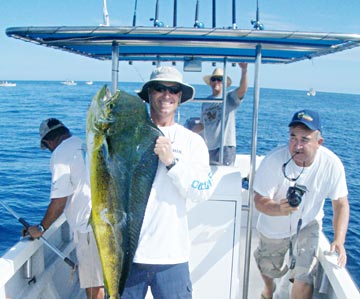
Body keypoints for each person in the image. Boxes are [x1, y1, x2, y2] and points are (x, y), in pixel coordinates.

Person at [121, 66, 213, 299]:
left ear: (180, 97)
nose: (166, 95)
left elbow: (202, 191)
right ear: (149, 93)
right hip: (127, 254)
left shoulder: (192, 142)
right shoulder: (126, 136)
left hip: (172, 257)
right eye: (159, 88)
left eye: (173, 90)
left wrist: (172, 163)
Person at [253, 109, 350, 299]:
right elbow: (259, 200)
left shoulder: (332, 165)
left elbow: (340, 203)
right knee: (270, 270)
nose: (297, 145)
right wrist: (278, 208)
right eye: (293, 137)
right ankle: (269, 289)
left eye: (304, 139)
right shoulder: (273, 161)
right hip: (273, 227)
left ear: (318, 142)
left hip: (308, 224)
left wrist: (339, 240)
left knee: (304, 277)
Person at [23, 118, 104, 299]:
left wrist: (41, 228)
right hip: (105, 223)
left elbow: (59, 201)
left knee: (94, 286)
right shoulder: (84, 144)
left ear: (48, 141)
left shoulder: (60, 153)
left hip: (88, 228)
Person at [200, 62, 248, 166]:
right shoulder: (205, 102)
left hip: (225, 146)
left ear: (224, 83)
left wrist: (244, 71)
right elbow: (203, 124)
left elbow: (242, 90)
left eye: (219, 79)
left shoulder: (229, 97)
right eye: (214, 79)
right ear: (210, 82)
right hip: (209, 148)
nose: (216, 81)